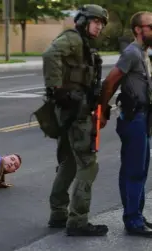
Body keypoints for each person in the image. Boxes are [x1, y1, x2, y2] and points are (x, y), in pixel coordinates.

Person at [41, 4, 110, 236]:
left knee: (69, 161)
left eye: (101, 23)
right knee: (88, 164)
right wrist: (56, 89)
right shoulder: (73, 39)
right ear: (82, 20)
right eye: (95, 21)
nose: (99, 26)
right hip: (74, 110)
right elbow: (50, 54)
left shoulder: (85, 45)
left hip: (75, 107)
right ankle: (78, 220)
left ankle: (58, 213)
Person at [98, 11, 152, 237]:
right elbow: (110, 81)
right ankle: (133, 220)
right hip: (134, 119)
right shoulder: (131, 53)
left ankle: (136, 215)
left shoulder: (143, 53)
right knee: (134, 171)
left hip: (143, 118)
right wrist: (102, 110)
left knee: (139, 170)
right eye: (151, 26)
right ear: (138, 29)